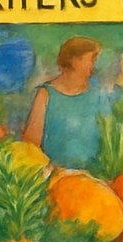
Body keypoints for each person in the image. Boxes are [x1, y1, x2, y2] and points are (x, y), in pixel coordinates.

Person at [22, 36, 111, 170]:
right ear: (75, 61)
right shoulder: (45, 94)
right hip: (55, 178)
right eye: (92, 59)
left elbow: (109, 143)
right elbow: (31, 144)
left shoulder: (98, 97)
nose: (94, 66)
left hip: (94, 179)